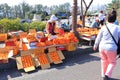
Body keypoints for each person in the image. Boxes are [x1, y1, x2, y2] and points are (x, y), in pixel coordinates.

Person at [93, 13, 120, 80]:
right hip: (112, 48)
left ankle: (103, 74)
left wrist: (95, 44)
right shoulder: (118, 28)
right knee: (112, 62)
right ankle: (107, 75)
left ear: (107, 19)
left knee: (104, 61)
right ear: (115, 19)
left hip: (102, 47)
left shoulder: (104, 27)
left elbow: (99, 37)